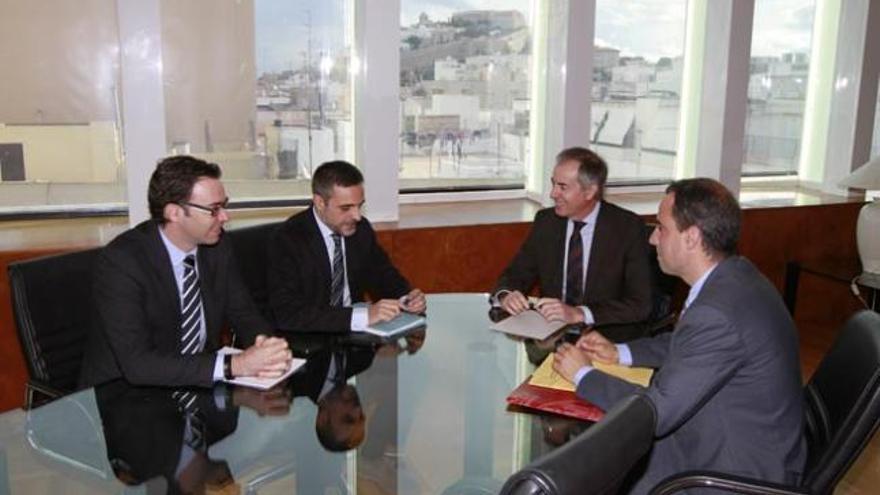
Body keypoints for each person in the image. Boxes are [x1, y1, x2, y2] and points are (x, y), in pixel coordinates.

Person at [553, 178, 806, 493]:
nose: (652, 239)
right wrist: (621, 352)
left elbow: (655, 414)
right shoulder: (735, 276)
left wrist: (583, 374)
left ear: (692, 237)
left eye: (661, 228)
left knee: (591, 470)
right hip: (736, 437)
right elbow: (691, 344)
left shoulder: (718, 312)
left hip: (732, 473)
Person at [80, 155, 291, 388]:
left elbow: (244, 313)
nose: (224, 217)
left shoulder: (218, 248)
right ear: (174, 213)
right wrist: (236, 365)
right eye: (214, 209)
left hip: (195, 386)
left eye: (224, 206)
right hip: (126, 397)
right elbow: (138, 364)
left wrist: (269, 348)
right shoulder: (122, 262)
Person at [494, 147, 652, 341]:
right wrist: (506, 295)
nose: (553, 194)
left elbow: (640, 305)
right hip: (549, 336)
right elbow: (515, 274)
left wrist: (579, 313)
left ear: (589, 191)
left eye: (563, 187)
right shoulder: (546, 222)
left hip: (605, 339)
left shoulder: (627, 228)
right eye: (553, 184)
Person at [268, 160, 426, 333]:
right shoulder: (288, 240)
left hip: (356, 342)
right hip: (310, 342)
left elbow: (383, 274)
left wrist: (406, 298)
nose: (357, 216)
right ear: (320, 203)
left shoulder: (360, 229)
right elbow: (289, 314)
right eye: (346, 208)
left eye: (359, 206)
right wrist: (363, 317)